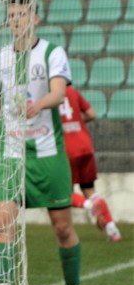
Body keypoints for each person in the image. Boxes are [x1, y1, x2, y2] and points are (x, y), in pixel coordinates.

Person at [0, 0, 83, 285]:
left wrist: (39, 104)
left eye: (22, 14)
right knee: (1, 220)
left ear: (34, 19)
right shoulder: (0, 59)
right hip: (10, 152)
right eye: (11, 15)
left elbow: (59, 92)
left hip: (48, 154)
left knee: (62, 228)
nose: (16, 20)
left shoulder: (51, 53)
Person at [58, 85, 122, 242]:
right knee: (89, 190)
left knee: (63, 193)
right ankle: (113, 231)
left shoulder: (50, 94)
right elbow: (92, 114)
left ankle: (89, 205)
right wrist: (78, 121)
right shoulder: (72, 91)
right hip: (85, 145)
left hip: (67, 149)